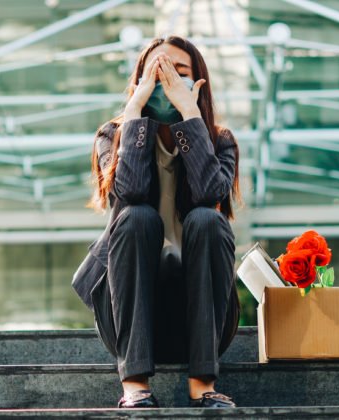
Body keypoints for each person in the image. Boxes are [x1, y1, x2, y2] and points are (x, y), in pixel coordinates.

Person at [72, 35, 242, 409]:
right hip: (129, 314)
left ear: (199, 83)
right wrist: (134, 113)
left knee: (206, 220)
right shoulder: (111, 136)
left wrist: (189, 116)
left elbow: (210, 194)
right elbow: (129, 192)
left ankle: (203, 383)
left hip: (201, 317)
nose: (166, 81)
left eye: (178, 73)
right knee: (136, 217)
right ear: (139, 81)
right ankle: (134, 384)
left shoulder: (221, 141)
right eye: (156, 72)